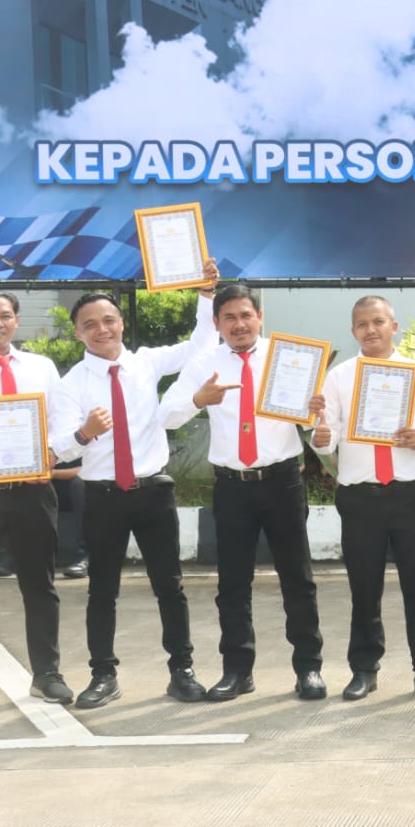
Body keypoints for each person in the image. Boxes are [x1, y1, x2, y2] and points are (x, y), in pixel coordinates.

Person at [48, 259, 220, 709]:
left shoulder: (145, 363)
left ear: (121, 323)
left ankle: (182, 670)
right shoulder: (70, 385)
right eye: (90, 325)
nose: (101, 330)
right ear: (78, 334)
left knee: (170, 586)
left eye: (108, 320)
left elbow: (200, 345)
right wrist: (84, 433)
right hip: (103, 497)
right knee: (102, 590)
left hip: (153, 492)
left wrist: (205, 296)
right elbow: (58, 449)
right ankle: (103, 675)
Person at [161, 284, 325, 701]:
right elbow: (166, 415)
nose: (239, 324)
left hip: (283, 482)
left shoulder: (289, 358)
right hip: (233, 487)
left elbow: (315, 424)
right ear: (217, 323)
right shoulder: (204, 365)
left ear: (260, 317)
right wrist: (198, 399)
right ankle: (237, 671)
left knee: (298, 579)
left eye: (246, 315)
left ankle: (309, 668)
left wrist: (316, 415)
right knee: (233, 584)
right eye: (229, 317)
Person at [311, 296, 415, 701]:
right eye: (361, 324)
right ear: (353, 331)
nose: (370, 330)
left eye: (378, 322)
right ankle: (364, 670)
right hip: (360, 497)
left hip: (408, 494)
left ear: (394, 326)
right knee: (364, 589)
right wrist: (322, 439)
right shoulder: (339, 377)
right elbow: (328, 437)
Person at [0, 290, 72, 705]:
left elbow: (62, 422)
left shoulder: (41, 368)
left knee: (40, 585)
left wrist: (49, 454)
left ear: (16, 321)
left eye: (5, 315)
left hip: (34, 492)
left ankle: (46, 674)